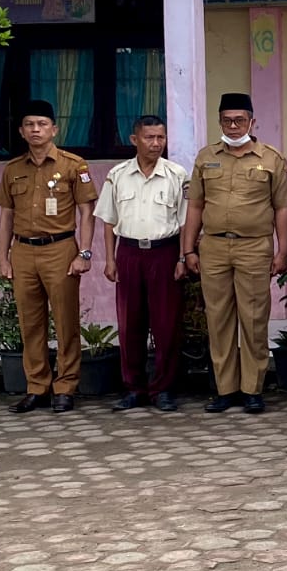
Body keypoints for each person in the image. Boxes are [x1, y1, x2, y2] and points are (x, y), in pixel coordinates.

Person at [180, 93, 287, 414]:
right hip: (213, 246)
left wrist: (282, 250)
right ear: (219, 121)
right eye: (227, 120)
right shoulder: (206, 157)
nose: (233, 126)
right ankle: (225, 389)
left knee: (254, 317)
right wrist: (187, 249)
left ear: (252, 122)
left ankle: (252, 388)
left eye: (239, 120)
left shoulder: (270, 158)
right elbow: (196, 206)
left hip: (254, 247)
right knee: (217, 319)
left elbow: (282, 208)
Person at [0, 100, 97, 413]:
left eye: (42, 124)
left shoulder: (73, 165)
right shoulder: (12, 169)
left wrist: (85, 252)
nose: (36, 130)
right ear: (21, 131)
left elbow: (87, 211)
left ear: (55, 129)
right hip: (23, 251)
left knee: (66, 322)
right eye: (30, 125)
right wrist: (3, 257)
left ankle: (65, 386)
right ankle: (37, 387)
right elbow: (6, 217)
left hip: (61, 249)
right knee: (30, 323)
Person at [96, 115, 188, 412]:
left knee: (166, 324)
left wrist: (183, 257)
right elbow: (109, 221)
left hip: (165, 252)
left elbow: (186, 222)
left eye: (160, 137)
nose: (156, 143)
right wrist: (110, 259)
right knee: (130, 323)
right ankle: (134, 388)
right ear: (134, 139)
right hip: (129, 252)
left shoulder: (177, 174)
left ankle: (163, 389)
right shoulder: (118, 174)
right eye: (149, 137)